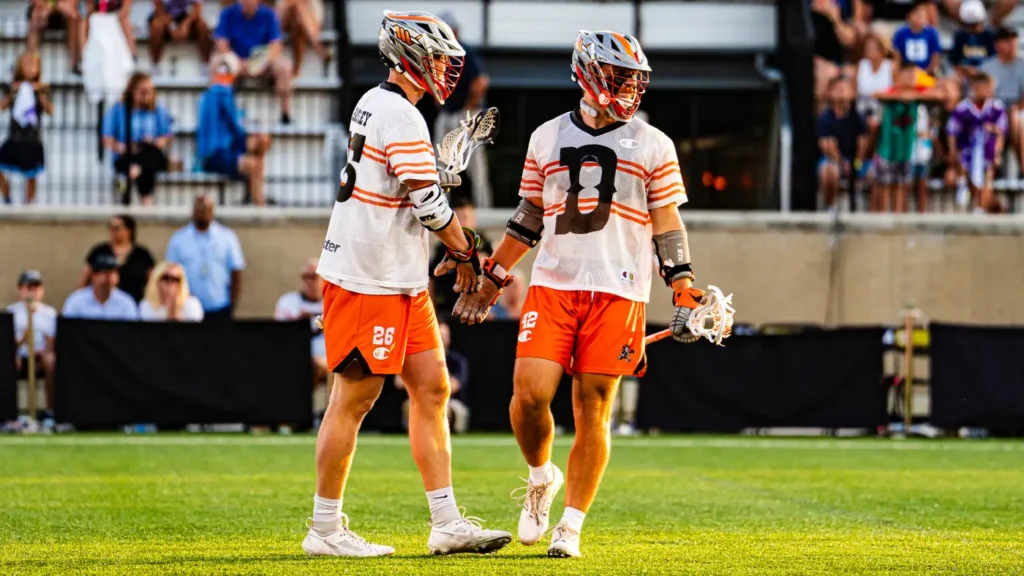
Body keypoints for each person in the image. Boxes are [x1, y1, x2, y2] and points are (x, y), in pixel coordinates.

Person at [449, 30, 698, 558]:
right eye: (618, 76)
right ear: (587, 74)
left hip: (619, 290)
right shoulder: (546, 136)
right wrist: (494, 277)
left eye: (634, 78)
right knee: (529, 398)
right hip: (555, 285)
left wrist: (682, 285)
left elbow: (667, 222)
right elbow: (529, 218)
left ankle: (572, 526)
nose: (629, 88)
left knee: (594, 407)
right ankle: (542, 477)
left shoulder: (655, 143)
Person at [304, 10, 511, 558]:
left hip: (397, 276)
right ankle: (324, 529)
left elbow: (411, 189)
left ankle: (445, 521)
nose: (445, 69)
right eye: (438, 58)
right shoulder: (400, 114)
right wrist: (467, 250)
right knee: (355, 398)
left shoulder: (378, 103)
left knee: (432, 387)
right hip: (368, 276)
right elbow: (426, 202)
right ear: (411, 56)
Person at [433, 12, 492, 207]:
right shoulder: (440, 53)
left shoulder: (463, 51)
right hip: (449, 113)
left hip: (468, 115)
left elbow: (481, 82)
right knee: (441, 162)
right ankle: (439, 205)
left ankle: (484, 211)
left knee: (475, 166)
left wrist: (468, 107)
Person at [197, 53, 272, 206]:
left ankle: (255, 197)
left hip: (221, 150)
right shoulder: (222, 91)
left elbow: (233, 127)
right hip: (215, 154)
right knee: (257, 153)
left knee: (261, 143)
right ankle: (259, 201)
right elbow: (235, 126)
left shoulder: (211, 94)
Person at [872, 64, 942, 212]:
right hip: (888, 149)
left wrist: (912, 94)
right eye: (908, 76)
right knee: (884, 185)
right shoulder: (890, 93)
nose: (911, 79)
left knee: (903, 186)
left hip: (906, 150)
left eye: (913, 77)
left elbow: (939, 94)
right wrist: (902, 94)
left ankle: (899, 221)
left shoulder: (919, 94)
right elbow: (876, 94)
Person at [165, 194, 246, 321]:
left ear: (212, 211)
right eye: (199, 209)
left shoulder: (227, 237)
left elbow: (236, 271)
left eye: (206, 208)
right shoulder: (179, 239)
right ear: (192, 211)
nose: (202, 212)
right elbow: (170, 272)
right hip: (187, 309)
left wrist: (232, 304)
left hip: (220, 308)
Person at [214, 0, 294, 124]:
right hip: (235, 59)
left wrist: (260, 62)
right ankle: (220, 112)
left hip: (262, 61)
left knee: (285, 66)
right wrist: (238, 62)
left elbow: (276, 45)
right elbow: (221, 43)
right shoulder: (228, 13)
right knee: (219, 63)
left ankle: (285, 113)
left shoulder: (268, 14)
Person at [101, 72, 174, 206]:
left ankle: (131, 179)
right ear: (132, 91)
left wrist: (153, 141)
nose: (147, 96)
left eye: (150, 92)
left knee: (148, 154)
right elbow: (107, 138)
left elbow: (167, 136)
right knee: (142, 163)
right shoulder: (118, 110)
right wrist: (122, 147)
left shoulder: (158, 109)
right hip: (127, 154)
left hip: (151, 151)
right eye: (143, 92)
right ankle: (146, 198)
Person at [947, 72, 1007, 213]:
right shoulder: (962, 108)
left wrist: (997, 153)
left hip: (987, 152)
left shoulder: (996, 108)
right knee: (965, 172)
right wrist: (953, 155)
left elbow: (1001, 133)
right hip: (966, 152)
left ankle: (981, 207)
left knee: (987, 173)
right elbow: (952, 133)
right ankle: (976, 203)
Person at [395, 321, 470, 434]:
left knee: (445, 409)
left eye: (445, 336)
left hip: (451, 401)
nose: (443, 339)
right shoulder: (418, 358)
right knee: (410, 405)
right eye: (440, 335)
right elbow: (399, 382)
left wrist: (438, 365)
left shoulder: (457, 360)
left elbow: (453, 386)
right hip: (421, 398)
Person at [0, 52, 52, 205]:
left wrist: (40, 93)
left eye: (33, 64)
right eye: (26, 64)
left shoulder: (43, 88)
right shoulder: (12, 88)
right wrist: (13, 92)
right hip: (14, 137)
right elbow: (2, 106)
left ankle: (29, 202)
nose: (29, 68)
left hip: (33, 139)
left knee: (31, 174)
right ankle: (7, 196)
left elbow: (49, 109)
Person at [6, 270, 57, 417]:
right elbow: (8, 346)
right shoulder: (12, 312)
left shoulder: (50, 314)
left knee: (51, 361)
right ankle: (10, 413)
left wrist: (41, 354)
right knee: (10, 363)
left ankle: (51, 411)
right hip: (19, 357)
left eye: (36, 287)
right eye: (28, 287)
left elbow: (51, 343)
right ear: (20, 289)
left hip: (41, 357)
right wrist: (22, 339)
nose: (32, 292)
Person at [274, 259, 327, 391]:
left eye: (314, 277)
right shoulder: (288, 302)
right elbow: (281, 335)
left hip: (327, 358)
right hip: (298, 357)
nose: (309, 282)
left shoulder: (333, 304)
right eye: (305, 277)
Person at [818, 76, 870, 210]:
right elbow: (826, 145)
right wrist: (842, 163)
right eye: (838, 88)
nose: (842, 92)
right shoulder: (825, 118)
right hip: (834, 160)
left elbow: (863, 143)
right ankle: (830, 207)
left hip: (855, 160)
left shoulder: (857, 117)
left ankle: (868, 211)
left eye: (845, 88)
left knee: (874, 173)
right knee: (828, 172)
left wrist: (857, 163)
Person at [81, 214, 155, 303]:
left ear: (129, 230)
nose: (112, 231)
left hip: (134, 305)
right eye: (110, 227)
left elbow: (152, 282)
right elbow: (85, 278)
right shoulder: (99, 251)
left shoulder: (142, 254)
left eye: (116, 228)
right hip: (101, 304)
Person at [981, 27, 1024, 170]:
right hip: (994, 109)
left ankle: (1021, 168)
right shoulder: (988, 67)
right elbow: (983, 95)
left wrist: (1017, 106)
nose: (1012, 44)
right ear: (998, 44)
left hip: (1017, 108)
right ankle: (991, 168)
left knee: (1016, 119)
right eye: (1007, 41)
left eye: (1013, 40)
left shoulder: (1022, 64)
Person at [62, 253, 139, 320]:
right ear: (93, 276)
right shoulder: (76, 301)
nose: (110, 278)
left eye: (114, 273)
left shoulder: (126, 303)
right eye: (105, 273)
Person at [148, 0, 214, 76]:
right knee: (156, 26)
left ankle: (206, 64)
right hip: (165, 16)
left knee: (203, 26)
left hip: (186, 17)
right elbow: (159, 11)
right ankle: (155, 64)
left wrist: (185, 25)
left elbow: (197, 10)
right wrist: (172, 27)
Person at [277, 0, 331, 77]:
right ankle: (317, 47)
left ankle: (296, 70)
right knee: (297, 8)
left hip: (306, 21)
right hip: (285, 18)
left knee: (298, 22)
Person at [892, 0, 942, 81]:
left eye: (923, 15)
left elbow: (935, 60)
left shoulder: (932, 34)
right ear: (909, 16)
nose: (921, 18)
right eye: (918, 15)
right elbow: (897, 59)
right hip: (906, 74)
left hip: (926, 74)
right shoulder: (901, 34)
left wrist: (925, 73)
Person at [27, 0, 81, 75]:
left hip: (63, 12)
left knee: (73, 16)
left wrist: (53, 7)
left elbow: (72, 2)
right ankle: (29, 66)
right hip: (43, 11)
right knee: (35, 17)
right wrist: (50, 7)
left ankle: (74, 63)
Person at [949, 0, 995, 86]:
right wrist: (964, 69)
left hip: (986, 75)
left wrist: (979, 71)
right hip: (965, 75)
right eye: (969, 25)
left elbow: (995, 60)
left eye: (975, 24)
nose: (972, 29)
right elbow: (954, 60)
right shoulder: (960, 36)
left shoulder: (989, 36)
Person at [140, 261, 204, 321]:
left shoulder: (192, 304)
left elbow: (191, 331)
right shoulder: (146, 305)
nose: (171, 283)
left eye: (176, 279)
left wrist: (175, 310)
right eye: (166, 278)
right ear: (156, 280)